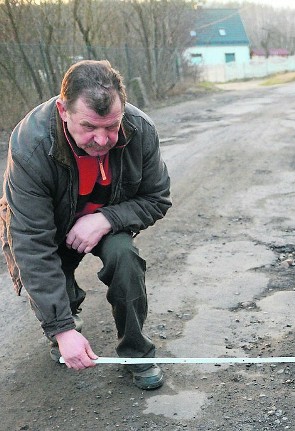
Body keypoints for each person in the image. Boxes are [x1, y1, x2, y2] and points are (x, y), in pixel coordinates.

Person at [0, 60, 171, 390]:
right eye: (90, 127)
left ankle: (136, 352)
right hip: (48, 222)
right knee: (55, 279)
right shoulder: (30, 145)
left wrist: (106, 219)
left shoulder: (140, 130)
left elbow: (157, 198)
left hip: (104, 218)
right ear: (63, 110)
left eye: (112, 126)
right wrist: (62, 329)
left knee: (125, 258)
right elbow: (32, 242)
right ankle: (67, 321)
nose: (103, 139)